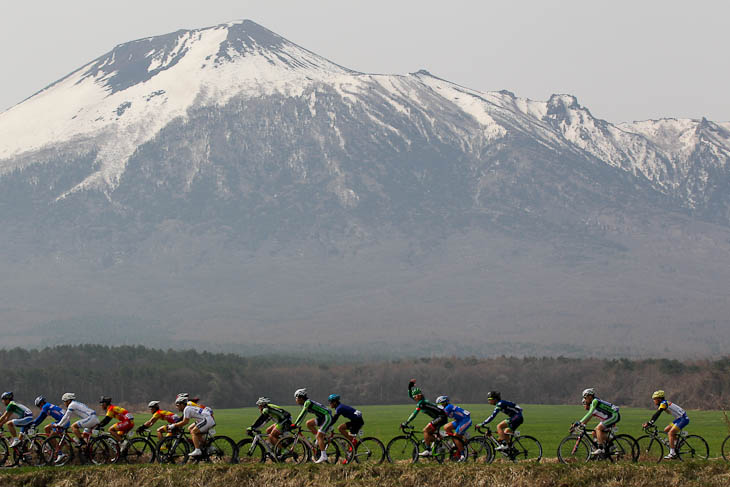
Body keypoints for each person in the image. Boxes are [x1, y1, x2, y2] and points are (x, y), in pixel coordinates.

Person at [402, 379, 448, 458]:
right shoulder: (421, 401)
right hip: (440, 417)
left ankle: (428, 450)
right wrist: (410, 387)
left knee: (425, 430)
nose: (414, 398)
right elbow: (410, 395)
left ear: (419, 395)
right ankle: (441, 444)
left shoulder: (422, 403)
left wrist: (407, 422)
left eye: (415, 396)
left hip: (441, 417)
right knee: (430, 434)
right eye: (414, 397)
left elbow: (414, 414)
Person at [642, 390, 689, 460]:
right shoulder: (664, 403)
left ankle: (672, 453)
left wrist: (650, 423)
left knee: (670, 433)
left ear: (659, 399)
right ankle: (677, 443)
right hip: (679, 418)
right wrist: (650, 422)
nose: (654, 401)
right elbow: (656, 414)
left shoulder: (664, 404)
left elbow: (657, 413)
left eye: (655, 399)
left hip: (683, 419)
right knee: (666, 430)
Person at [573, 388, 620, 456]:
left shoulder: (595, 401)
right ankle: (611, 444)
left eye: (585, 398)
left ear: (590, 396)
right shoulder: (593, 403)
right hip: (608, 418)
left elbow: (589, 413)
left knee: (598, 429)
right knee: (594, 432)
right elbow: (587, 419)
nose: (585, 400)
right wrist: (580, 425)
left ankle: (601, 448)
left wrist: (579, 422)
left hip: (614, 416)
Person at [293, 388, 333, 464]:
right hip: (322, 418)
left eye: (296, 398)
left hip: (327, 417)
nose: (296, 400)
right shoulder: (306, 403)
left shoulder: (307, 403)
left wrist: (295, 424)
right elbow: (304, 415)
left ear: (301, 397)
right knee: (309, 423)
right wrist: (297, 424)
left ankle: (323, 456)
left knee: (319, 436)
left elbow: (302, 414)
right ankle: (319, 439)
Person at [435, 395, 471, 461]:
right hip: (460, 420)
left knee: (455, 436)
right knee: (446, 427)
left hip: (465, 420)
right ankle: (456, 443)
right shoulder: (447, 407)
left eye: (441, 404)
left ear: (445, 403)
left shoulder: (448, 407)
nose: (440, 406)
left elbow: (442, 417)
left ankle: (462, 455)